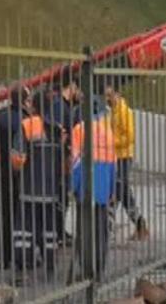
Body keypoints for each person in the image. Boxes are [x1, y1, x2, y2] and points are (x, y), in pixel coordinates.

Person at [10, 92, 63, 278]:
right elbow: (64, 161)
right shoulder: (57, 129)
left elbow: (18, 158)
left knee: (24, 232)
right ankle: (50, 269)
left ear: (34, 106)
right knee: (49, 231)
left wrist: (14, 167)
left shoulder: (27, 125)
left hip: (29, 189)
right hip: (50, 191)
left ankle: (22, 270)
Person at [70, 98, 117, 279]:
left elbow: (75, 163)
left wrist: (73, 187)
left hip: (86, 189)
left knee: (84, 230)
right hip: (103, 189)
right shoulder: (108, 133)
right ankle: (99, 267)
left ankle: (86, 269)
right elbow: (113, 164)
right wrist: (112, 189)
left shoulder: (79, 130)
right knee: (101, 230)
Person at [105, 86, 149, 241]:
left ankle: (108, 228)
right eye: (106, 96)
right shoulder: (114, 112)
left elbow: (129, 137)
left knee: (117, 191)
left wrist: (111, 142)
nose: (107, 99)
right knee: (122, 192)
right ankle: (140, 225)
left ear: (117, 94)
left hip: (124, 156)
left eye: (110, 95)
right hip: (116, 157)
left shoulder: (124, 111)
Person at [0, 87, 29, 270]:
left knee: (6, 212)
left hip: (3, 170)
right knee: (20, 214)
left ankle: (3, 257)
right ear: (24, 100)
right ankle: (18, 256)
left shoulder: (0, 116)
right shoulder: (26, 119)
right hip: (20, 171)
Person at [48, 77, 82, 246]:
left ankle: (59, 231)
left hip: (63, 158)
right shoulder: (60, 107)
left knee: (63, 197)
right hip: (60, 159)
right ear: (72, 85)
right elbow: (60, 135)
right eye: (77, 89)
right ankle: (58, 232)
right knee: (61, 196)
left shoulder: (62, 106)